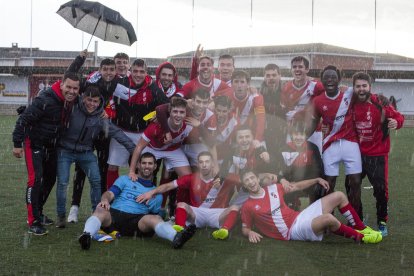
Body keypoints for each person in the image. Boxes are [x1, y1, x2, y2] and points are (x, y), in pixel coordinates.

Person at [78, 152, 196, 250]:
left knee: (154, 219)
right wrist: (105, 200)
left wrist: (162, 216)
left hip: (137, 222)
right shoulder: (125, 179)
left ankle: (176, 238)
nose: (147, 166)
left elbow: (155, 213)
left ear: (155, 166)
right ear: (138, 165)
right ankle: (86, 235)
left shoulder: (156, 194)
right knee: (100, 209)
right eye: (144, 163)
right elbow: (109, 193)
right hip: (114, 216)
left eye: (150, 163)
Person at [55, 86, 136, 228]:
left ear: (100, 102)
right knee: (62, 182)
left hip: (85, 151)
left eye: (96, 101)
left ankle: (96, 214)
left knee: (96, 180)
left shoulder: (101, 117)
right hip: (65, 150)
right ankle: (61, 216)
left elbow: (118, 134)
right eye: (89, 100)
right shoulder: (72, 107)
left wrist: (135, 151)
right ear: (83, 98)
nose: (92, 104)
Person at [12, 72, 80, 235]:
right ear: (61, 84)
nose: (71, 91)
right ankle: (32, 220)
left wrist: (80, 58)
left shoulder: (71, 100)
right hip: (34, 142)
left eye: (75, 88)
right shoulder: (46, 99)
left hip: (52, 146)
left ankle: (39, 212)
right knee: (35, 179)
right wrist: (16, 144)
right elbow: (23, 119)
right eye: (68, 87)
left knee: (50, 178)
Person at [240, 170, 382, 244]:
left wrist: (316, 179)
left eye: (252, 178)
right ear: (244, 185)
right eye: (247, 180)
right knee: (328, 219)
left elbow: (296, 185)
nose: (251, 182)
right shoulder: (248, 205)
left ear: (257, 179)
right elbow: (245, 228)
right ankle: (361, 238)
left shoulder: (274, 188)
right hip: (292, 231)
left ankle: (361, 227)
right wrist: (249, 233)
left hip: (300, 216)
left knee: (339, 195)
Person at [137, 151, 241, 240]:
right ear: (198, 164)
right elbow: (168, 186)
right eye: (201, 162)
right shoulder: (191, 178)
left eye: (207, 162)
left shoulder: (226, 177)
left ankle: (224, 231)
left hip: (218, 214)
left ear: (213, 164)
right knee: (181, 205)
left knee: (235, 207)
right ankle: (180, 229)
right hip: (197, 214)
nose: (204, 165)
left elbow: (245, 181)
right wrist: (151, 193)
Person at [66, 50, 118, 223]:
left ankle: (99, 207)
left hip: (103, 133)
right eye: (106, 69)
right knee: (80, 170)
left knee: (102, 171)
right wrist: (80, 58)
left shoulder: (119, 81)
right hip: (87, 131)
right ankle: (74, 207)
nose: (109, 73)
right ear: (100, 70)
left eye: (112, 69)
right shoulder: (89, 81)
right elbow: (70, 75)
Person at [352, 72, 405, 236]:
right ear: (354, 88)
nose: (361, 89)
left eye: (364, 86)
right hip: (356, 154)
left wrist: (396, 123)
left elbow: (399, 117)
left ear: (369, 87)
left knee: (380, 189)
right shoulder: (350, 103)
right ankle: (358, 220)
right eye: (358, 86)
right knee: (351, 186)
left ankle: (382, 221)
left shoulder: (379, 102)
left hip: (377, 155)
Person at [308, 65, 363, 218]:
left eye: (333, 77)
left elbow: (367, 95)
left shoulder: (350, 94)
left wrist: (383, 100)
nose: (330, 80)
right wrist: (301, 138)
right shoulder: (318, 101)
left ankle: (355, 219)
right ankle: (328, 218)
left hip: (351, 143)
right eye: (326, 77)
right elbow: (313, 123)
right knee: (328, 183)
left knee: (355, 183)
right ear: (322, 80)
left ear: (339, 79)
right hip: (330, 145)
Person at [106, 58, 169, 189]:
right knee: (112, 165)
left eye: (141, 71)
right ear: (130, 71)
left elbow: (168, 105)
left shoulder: (153, 88)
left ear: (146, 72)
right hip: (121, 131)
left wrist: (157, 115)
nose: (138, 75)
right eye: (135, 71)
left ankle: (142, 196)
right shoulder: (120, 83)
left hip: (143, 134)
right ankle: (112, 199)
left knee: (146, 167)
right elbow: (102, 91)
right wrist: (104, 109)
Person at [128, 97, 193, 181]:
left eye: (181, 112)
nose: (178, 115)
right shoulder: (156, 125)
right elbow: (139, 147)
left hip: (173, 150)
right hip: (153, 149)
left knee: (188, 179)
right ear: (169, 111)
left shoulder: (189, 123)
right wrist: (132, 171)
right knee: (141, 175)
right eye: (175, 111)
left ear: (186, 113)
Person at [280, 56, 325, 152]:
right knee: (291, 160)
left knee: (316, 160)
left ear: (307, 69)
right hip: (294, 130)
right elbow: (284, 111)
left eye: (300, 67)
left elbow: (327, 101)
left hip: (314, 130)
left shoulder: (317, 86)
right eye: (294, 67)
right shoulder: (286, 88)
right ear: (291, 69)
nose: (297, 69)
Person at [278, 120, 324, 210]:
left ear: (305, 136)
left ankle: (315, 210)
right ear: (291, 135)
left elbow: (318, 170)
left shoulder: (313, 148)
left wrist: (302, 183)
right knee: (280, 186)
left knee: (319, 187)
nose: (299, 138)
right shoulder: (284, 149)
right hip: (290, 183)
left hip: (307, 182)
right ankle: (289, 208)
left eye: (301, 135)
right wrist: (283, 180)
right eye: (296, 134)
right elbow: (280, 170)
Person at [216, 70, 266, 148]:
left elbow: (261, 120)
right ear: (231, 84)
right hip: (232, 138)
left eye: (242, 82)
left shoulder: (257, 98)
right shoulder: (225, 95)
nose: (239, 85)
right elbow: (208, 101)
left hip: (251, 136)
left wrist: (257, 139)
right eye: (236, 82)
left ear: (248, 84)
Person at [259, 63, 286, 158]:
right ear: (264, 77)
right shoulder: (259, 94)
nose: (271, 78)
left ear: (280, 76)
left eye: (274, 75)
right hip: (265, 134)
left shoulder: (287, 92)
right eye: (268, 75)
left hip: (284, 134)